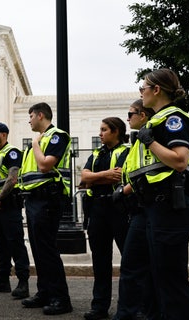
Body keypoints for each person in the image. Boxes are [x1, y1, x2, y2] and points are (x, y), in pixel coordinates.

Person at [123, 68, 189, 319]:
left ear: (156, 90)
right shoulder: (156, 120)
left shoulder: (172, 119)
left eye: (143, 88)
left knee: (171, 281)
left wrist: (150, 142)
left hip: (169, 209)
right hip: (154, 209)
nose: (140, 93)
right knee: (157, 278)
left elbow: (179, 161)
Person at [18, 102, 73, 315]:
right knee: (39, 250)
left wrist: (35, 145)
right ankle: (45, 292)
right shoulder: (41, 140)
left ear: (41, 115)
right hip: (34, 200)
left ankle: (61, 298)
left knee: (47, 251)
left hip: (48, 200)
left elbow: (45, 165)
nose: (29, 120)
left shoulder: (57, 136)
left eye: (31, 115)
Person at [80, 117, 130, 320]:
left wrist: (95, 177)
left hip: (119, 208)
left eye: (104, 130)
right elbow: (84, 177)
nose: (100, 133)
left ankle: (130, 306)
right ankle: (99, 306)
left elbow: (117, 177)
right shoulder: (96, 153)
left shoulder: (126, 152)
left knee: (129, 260)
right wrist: (105, 174)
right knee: (100, 262)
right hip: (98, 209)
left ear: (116, 131)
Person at [113, 100, 157, 320]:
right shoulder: (138, 143)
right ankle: (131, 312)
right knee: (134, 265)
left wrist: (124, 190)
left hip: (150, 208)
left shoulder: (150, 139)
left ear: (143, 115)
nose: (127, 118)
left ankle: (136, 312)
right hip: (137, 209)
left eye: (130, 113)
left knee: (139, 265)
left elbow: (150, 174)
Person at [0, 122, 31, 299]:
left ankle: (23, 282)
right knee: (1, 244)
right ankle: (3, 280)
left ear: (4, 134)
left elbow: (12, 179)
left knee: (15, 243)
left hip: (9, 204)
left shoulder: (12, 152)